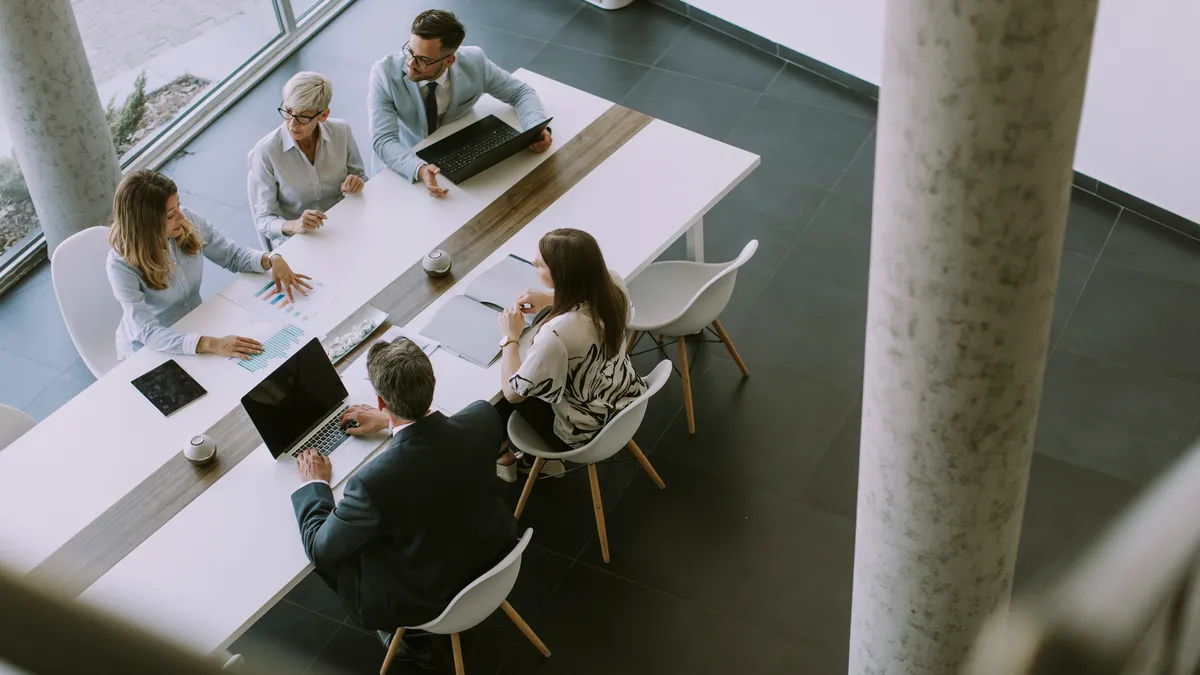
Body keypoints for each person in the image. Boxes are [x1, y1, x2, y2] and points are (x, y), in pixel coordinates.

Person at [291, 338, 518, 668]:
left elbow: (320, 548)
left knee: (339, 554)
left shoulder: (372, 484)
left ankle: (409, 639)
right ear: (432, 383)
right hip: (496, 553)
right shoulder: (483, 418)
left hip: (433, 595)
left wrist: (314, 484)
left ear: (380, 401)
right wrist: (392, 423)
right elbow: (444, 439)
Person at [107, 170, 311, 361]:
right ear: (146, 224)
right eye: (170, 215)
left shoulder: (186, 220)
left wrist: (271, 259)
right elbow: (148, 332)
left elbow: (231, 255)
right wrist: (211, 344)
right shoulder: (120, 265)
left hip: (197, 326)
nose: (180, 216)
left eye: (178, 206)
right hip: (151, 351)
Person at [495, 229, 648, 482]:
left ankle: (520, 459)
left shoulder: (557, 334)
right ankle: (532, 461)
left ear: (561, 275)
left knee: (497, 399)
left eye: (539, 264)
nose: (533, 264)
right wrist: (549, 298)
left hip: (581, 432)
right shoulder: (615, 284)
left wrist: (510, 337)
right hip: (623, 396)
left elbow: (513, 394)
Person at [368, 9, 552, 198]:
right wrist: (419, 168)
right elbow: (383, 140)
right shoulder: (384, 73)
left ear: (449, 61)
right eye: (410, 51)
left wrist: (535, 127)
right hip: (407, 158)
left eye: (423, 60)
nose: (411, 64)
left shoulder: (475, 62)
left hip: (460, 150)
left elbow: (520, 92)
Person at [247, 71, 366, 250]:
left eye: (303, 116)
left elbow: (360, 175)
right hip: (300, 241)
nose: (293, 124)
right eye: (288, 111)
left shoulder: (342, 132)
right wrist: (294, 225)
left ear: (323, 115)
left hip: (345, 225)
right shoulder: (267, 151)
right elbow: (264, 220)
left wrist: (357, 181)